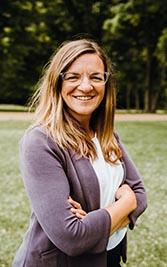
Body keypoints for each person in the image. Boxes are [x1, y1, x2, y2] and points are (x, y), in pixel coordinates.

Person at [12, 39, 147, 267]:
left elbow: (141, 194)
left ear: (106, 84)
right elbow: (72, 238)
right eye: (73, 77)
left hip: (107, 259)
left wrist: (94, 223)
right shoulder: (41, 141)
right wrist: (126, 202)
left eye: (96, 77)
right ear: (57, 82)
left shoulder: (107, 135)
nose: (85, 86)